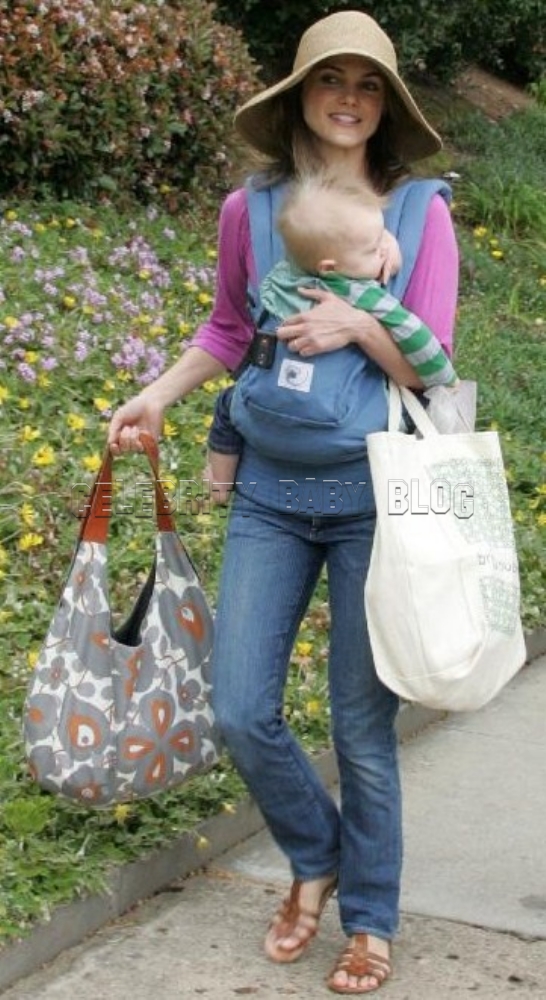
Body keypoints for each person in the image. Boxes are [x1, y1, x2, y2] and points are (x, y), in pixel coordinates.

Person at [108, 9, 459, 993]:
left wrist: (356, 320)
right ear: (298, 94)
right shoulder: (248, 211)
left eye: (367, 84)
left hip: (375, 499)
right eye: (328, 80)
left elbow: (438, 369)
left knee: (359, 724)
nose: (348, 98)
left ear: (384, 105)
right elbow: (228, 331)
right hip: (265, 494)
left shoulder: (420, 211)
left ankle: (370, 916)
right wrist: (154, 397)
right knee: (240, 706)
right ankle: (314, 853)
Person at [204, 173, 458, 502]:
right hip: (344, 429)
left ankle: (219, 486)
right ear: (330, 266)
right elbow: (427, 354)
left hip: (269, 407)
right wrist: (444, 375)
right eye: (374, 249)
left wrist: (377, 246)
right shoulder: (366, 295)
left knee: (228, 406)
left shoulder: (284, 275)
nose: (383, 252)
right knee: (406, 417)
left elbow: (234, 323)